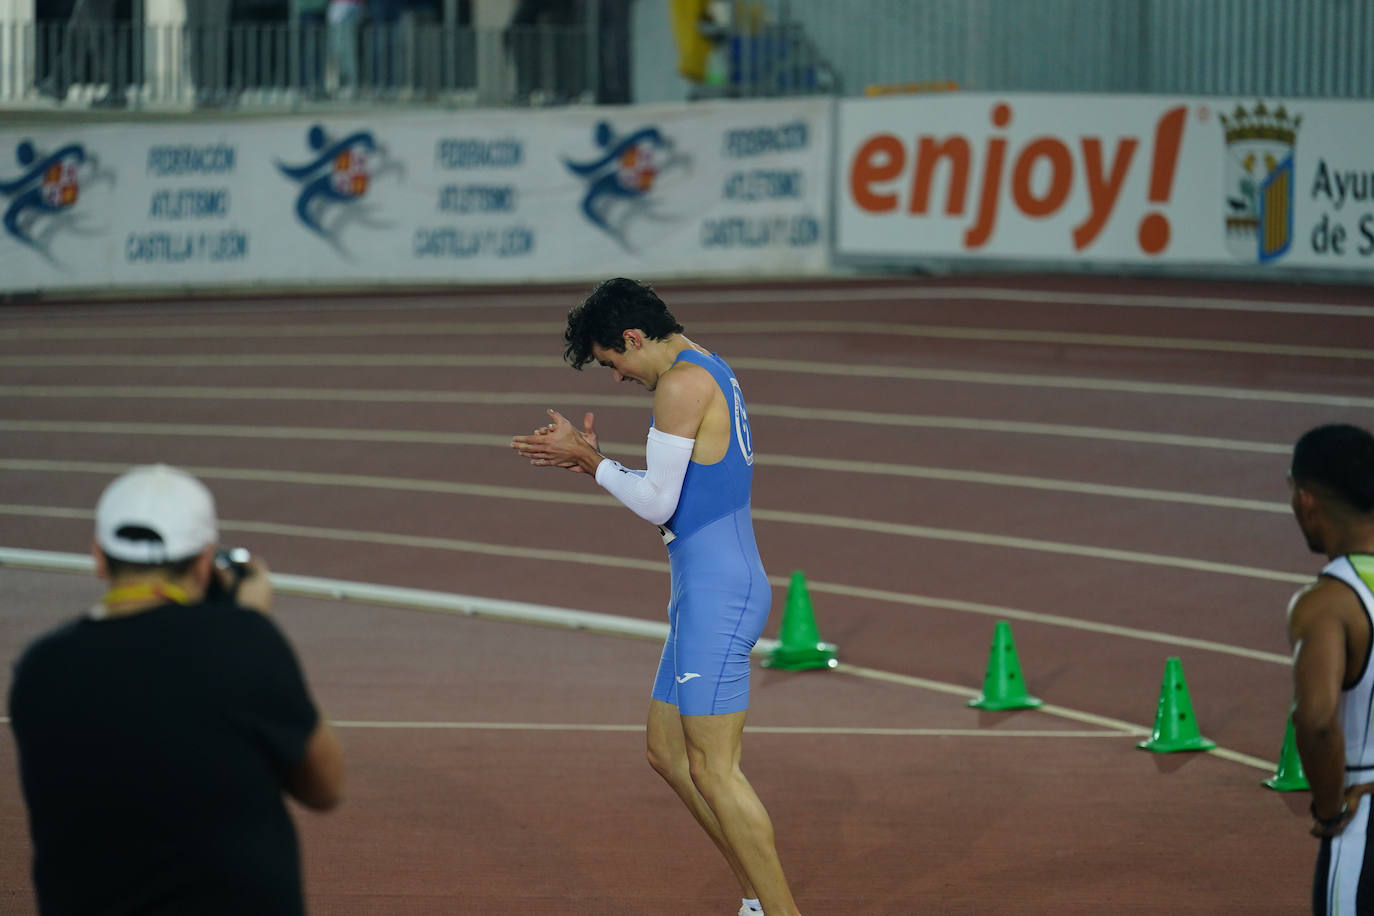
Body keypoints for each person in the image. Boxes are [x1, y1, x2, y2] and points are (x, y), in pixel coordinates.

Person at [511, 278, 802, 916]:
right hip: (706, 590)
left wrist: (589, 461)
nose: (616, 378)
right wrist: (595, 458)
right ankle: (756, 899)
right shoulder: (708, 365)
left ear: (634, 338)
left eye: (613, 362)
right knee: (667, 752)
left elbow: (657, 503)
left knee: (716, 771)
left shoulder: (680, 385)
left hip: (717, 597)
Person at [8, 463, 344, 916]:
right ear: (206, 562)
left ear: (99, 556)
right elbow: (324, 787)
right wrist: (249, 624)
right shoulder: (243, 644)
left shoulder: (41, 667)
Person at [1284, 423, 1374, 914]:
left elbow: (1316, 722)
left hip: (1364, 822)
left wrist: (1330, 810)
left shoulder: (1327, 604)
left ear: (1306, 499)